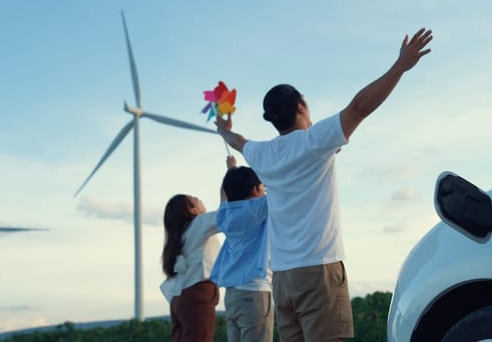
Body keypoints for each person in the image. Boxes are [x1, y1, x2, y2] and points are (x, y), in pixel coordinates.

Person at [215, 28, 433, 341]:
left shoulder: (262, 154)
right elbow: (359, 107)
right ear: (301, 106)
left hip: (283, 279)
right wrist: (400, 66)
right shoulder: (315, 141)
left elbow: (238, 141)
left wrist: (223, 129)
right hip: (318, 271)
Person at [210, 155, 274, 342]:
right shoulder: (256, 208)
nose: (265, 192)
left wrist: (231, 170)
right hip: (254, 292)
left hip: (232, 296)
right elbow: (284, 187)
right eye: (263, 188)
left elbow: (225, 193)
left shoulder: (225, 215)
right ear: (255, 190)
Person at [160, 194, 221, 342]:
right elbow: (225, 214)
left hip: (179, 298)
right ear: (192, 210)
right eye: (193, 199)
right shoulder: (199, 223)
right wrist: (228, 185)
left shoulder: (179, 236)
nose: (198, 197)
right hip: (196, 294)